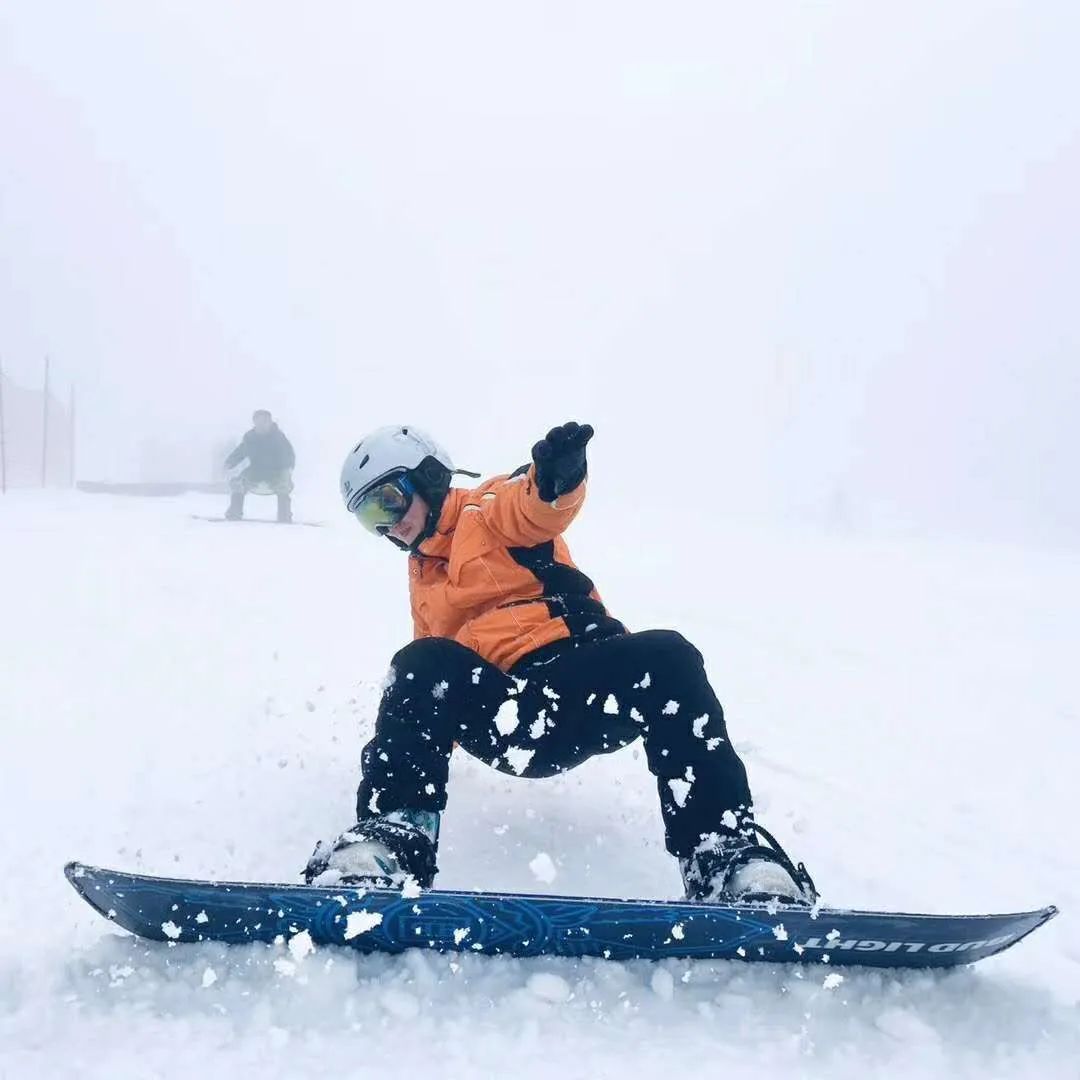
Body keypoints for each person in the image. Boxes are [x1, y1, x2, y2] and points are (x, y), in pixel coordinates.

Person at [305, 423, 817, 905]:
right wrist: (417, 740)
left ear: (430, 477)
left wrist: (555, 479)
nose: (391, 526)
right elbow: (432, 688)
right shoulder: (423, 581)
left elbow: (531, 507)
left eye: (390, 500)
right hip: (509, 712)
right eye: (371, 517)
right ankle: (391, 840)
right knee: (418, 664)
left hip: (583, 683)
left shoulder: (484, 510)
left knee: (668, 655)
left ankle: (723, 852)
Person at [223, 410, 296, 523]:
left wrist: (288, 469)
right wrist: (229, 463)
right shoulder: (250, 438)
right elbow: (241, 452)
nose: (263, 424)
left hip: (276, 472)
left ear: (270, 422)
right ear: (255, 422)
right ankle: (234, 513)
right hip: (255, 471)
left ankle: (284, 515)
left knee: (284, 485)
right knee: (238, 483)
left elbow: (289, 455)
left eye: (266, 421)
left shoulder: (279, 438)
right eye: (259, 421)